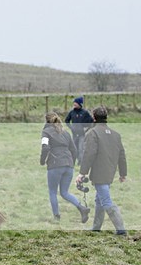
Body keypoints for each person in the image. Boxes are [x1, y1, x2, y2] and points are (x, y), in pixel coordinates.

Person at [76, 106, 127, 235]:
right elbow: (122, 155)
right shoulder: (116, 134)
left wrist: (82, 173)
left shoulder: (92, 133)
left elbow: (89, 155)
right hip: (110, 172)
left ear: (94, 117)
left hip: (100, 173)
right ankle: (96, 227)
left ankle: (121, 231)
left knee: (105, 200)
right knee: (99, 199)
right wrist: (122, 173)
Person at [40, 112, 90, 224]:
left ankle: (56, 217)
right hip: (69, 165)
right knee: (64, 192)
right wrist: (70, 162)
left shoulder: (46, 132)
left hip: (55, 165)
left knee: (52, 192)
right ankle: (82, 208)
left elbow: (45, 148)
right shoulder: (65, 133)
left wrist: (42, 161)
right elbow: (74, 150)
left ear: (47, 121)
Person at [65, 96, 94, 164]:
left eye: (76, 103)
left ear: (80, 104)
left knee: (81, 148)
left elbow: (91, 122)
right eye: (74, 103)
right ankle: (73, 161)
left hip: (82, 134)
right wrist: (71, 127)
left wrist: (86, 129)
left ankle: (81, 162)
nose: (74, 104)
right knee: (74, 148)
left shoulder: (85, 113)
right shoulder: (72, 112)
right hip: (74, 134)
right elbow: (67, 121)